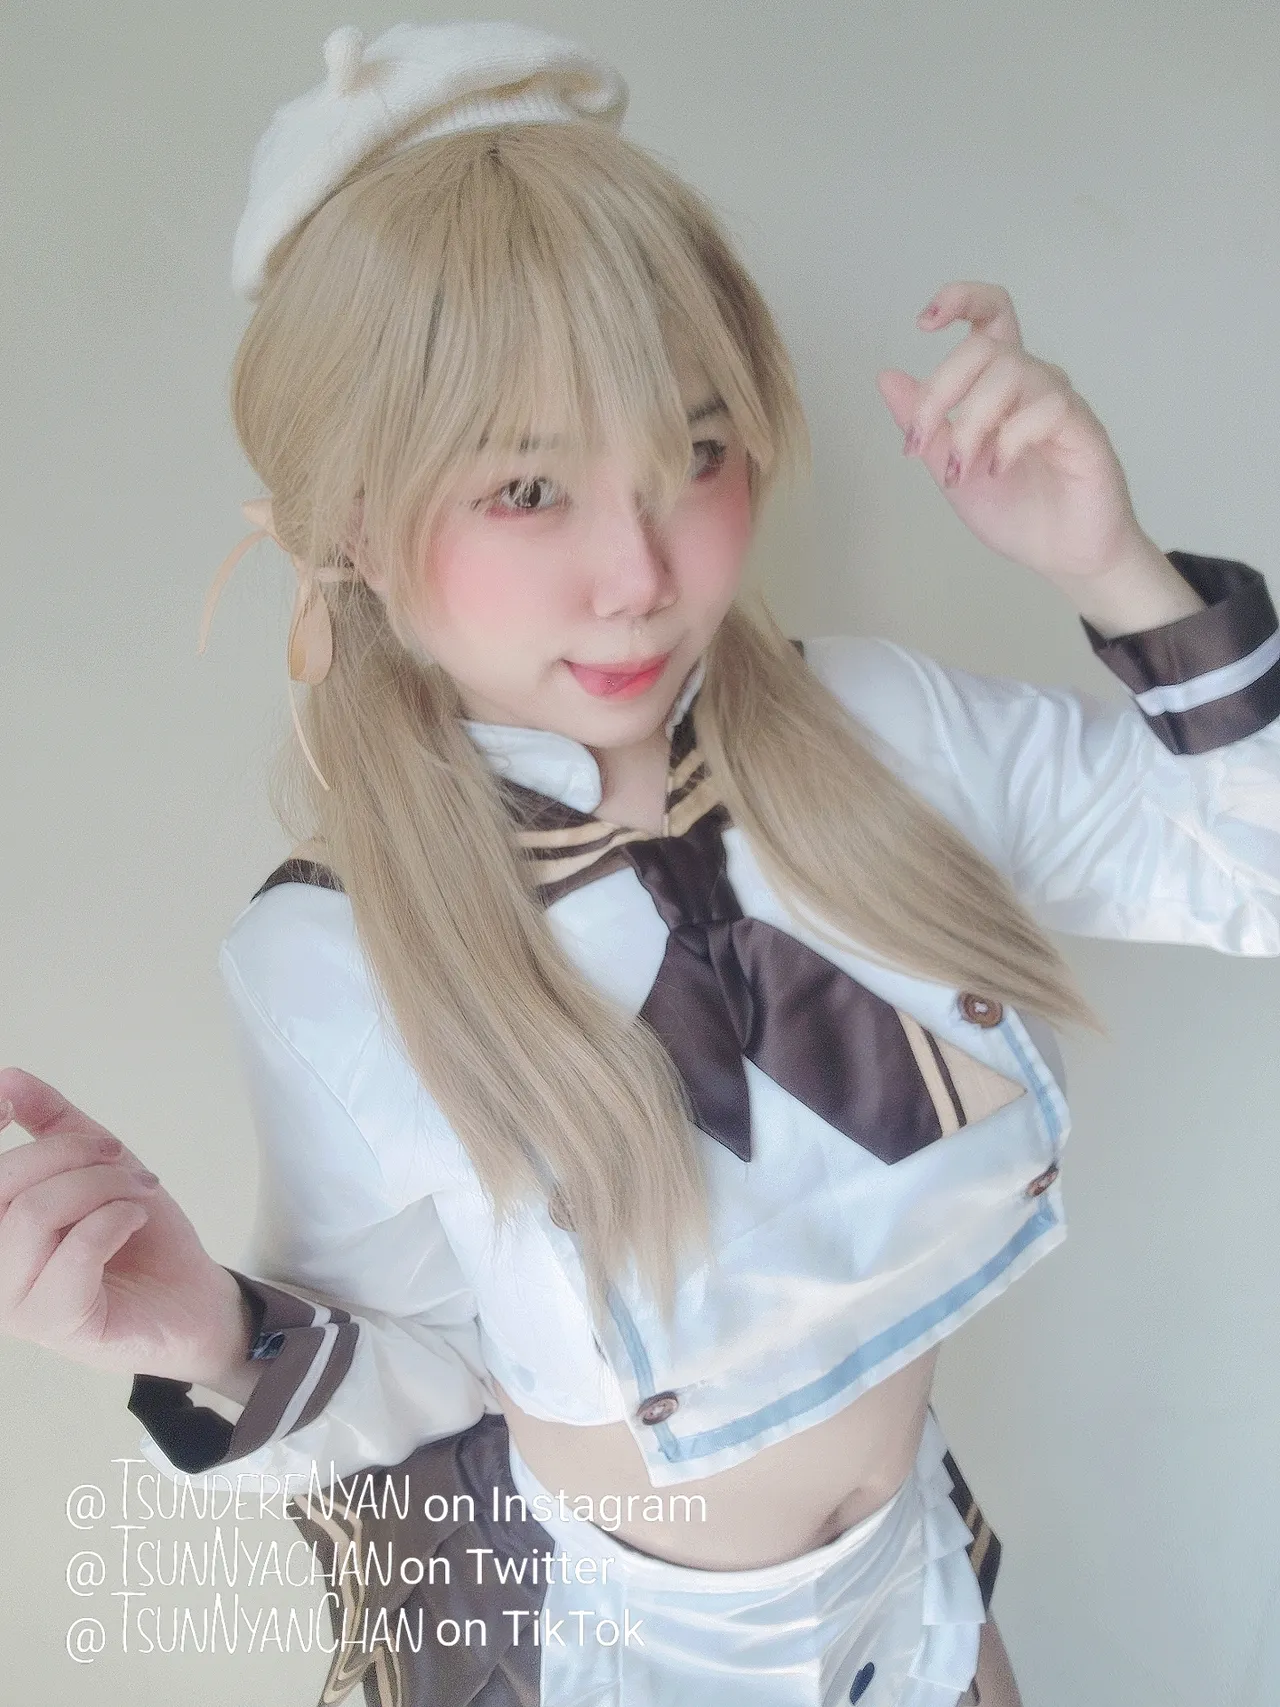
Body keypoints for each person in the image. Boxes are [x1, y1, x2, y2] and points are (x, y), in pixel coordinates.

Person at [2, 19, 1279, 1707]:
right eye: (530, 486)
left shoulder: (885, 731)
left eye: (694, 454)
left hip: (922, 1612)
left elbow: (1250, 868)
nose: (641, 572)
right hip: (621, 1660)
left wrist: (1113, 567)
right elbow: (445, 1374)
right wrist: (210, 1337)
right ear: (354, 522)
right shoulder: (330, 956)